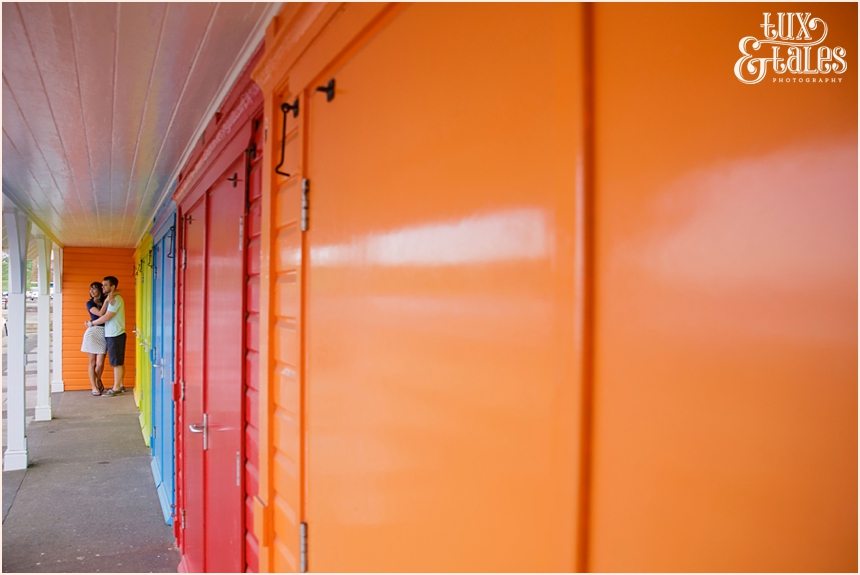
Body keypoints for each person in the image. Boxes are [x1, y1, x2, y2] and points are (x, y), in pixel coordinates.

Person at [87, 275, 126, 397]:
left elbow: (106, 316)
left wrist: (91, 323)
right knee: (117, 361)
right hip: (110, 334)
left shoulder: (115, 299)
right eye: (102, 285)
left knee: (116, 362)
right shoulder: (109, 298)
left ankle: (116, 388)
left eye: (105, 285)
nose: (103, 287)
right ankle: (119, 385)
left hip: (115, 333)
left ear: (112, 286)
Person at [80, 281, 107, 396]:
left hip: (104, 332)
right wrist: (107, 300)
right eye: (90, 289)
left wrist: (107, 299)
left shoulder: (106, 300)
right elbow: (101, 314)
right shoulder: (90, 303)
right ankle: (94, 386)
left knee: (100, 363)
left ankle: (97, 380)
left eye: (94, 288)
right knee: (92, 362)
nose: (91, 291)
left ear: (100, 290)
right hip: (93, 332)